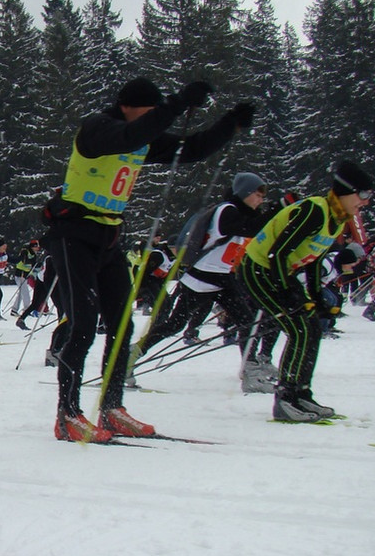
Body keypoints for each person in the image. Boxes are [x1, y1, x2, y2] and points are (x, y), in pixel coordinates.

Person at [44, 76, 252, 442]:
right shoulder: (98, 129)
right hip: (72, 234)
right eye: (150, 111)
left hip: (108, 238)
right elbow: (129, 137)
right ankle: (68, 415)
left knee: (121, 323)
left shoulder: (143, 135)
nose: (154, 118)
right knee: (82, 325)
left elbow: (193, 148)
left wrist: (230, 124)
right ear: (128, 105)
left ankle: (111, 408)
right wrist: (175, 104)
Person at [239, 160, 374, 423]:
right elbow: (277, 252)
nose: (366, 202)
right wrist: (288, 291)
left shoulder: (337, 220)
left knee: (311, 328)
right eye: (363, 194)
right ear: (346, 191)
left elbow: (312, 262)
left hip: (279, 272)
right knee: (299, 329)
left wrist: (316, 298)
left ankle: (301, 393)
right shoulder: (315, 210)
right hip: (258, 269)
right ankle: (286, 398)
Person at [128, 172, 273, 393]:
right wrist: (279, 207)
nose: (261, 199)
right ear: (244, 193)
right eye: (258, 194)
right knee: (175, 324)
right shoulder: (227, 211)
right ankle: (131, 355)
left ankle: (250, 370)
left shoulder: (241, 213)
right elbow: (249, 228)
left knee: (247, 320)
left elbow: (254, 230)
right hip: (201, 277)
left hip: (222, 278)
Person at [9, 239, 41, 317]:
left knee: (21, 293)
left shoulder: (34, 254)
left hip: (25, 275)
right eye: (36, 247)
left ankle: (14, 310)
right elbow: (24, 261)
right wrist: (33, 262)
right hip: (20, 275)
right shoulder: (25, 251)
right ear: (33, 247)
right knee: (25, 293)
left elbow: (33, 265)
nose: (37, 249)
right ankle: (27, 309)